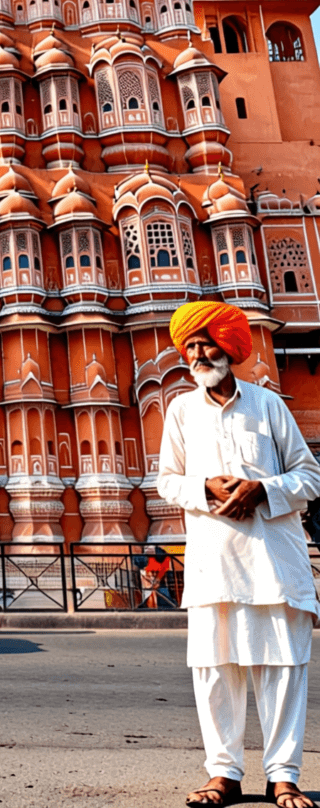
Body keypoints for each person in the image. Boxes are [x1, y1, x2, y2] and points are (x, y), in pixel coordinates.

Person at [159, 300, 320, 808]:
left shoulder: (268, 405)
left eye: (207, 343)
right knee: (214, 669)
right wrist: (204, 486)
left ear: (230, 347)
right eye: (191, 346)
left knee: (282, 668)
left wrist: (263, 490)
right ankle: (222, 774)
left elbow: (309, 475)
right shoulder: (180, 410)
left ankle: (284, 776)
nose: (199, 353)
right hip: (213, 560)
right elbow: (166, 482)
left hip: (273, 558)